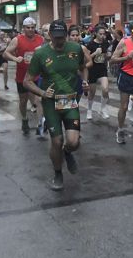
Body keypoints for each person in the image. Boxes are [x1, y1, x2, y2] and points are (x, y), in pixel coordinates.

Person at [23, 20, 88, 191]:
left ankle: (67, 153)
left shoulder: (75, 49)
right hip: (51, 103)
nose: (59, 41)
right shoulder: (41, 54)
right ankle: (58, 173)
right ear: (50, 36)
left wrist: (85, 81)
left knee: (73, 142)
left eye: (62, 37)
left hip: (69, 101)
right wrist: (42, 93)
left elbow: (83, 67)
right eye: (56, 37)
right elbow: (27, 81)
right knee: (57, 141)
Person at [4, 17, 45, 136]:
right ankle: (24, 118)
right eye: (28, 28)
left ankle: (40, 125)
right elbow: (6, 53)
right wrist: (15, 59)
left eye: (32, 27)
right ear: (23, 28)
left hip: (36, 75)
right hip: (22, 76)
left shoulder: (40, 39)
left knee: (37, 100)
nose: (31, 30)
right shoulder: (17, 40)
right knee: (23, 100)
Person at [84, 24, 112, 120]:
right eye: (100, 34)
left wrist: (108, 55)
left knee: (105, 89)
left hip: (102, 69)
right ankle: (89, 110)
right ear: (95, 33)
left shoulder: (106, 43)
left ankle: (103, 109)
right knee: (92, 92)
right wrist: (95, 53)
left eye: (103, 34)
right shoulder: (90, 44)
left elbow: (108, 56)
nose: (102, 36)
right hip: (92, 70)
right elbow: (86, 59)